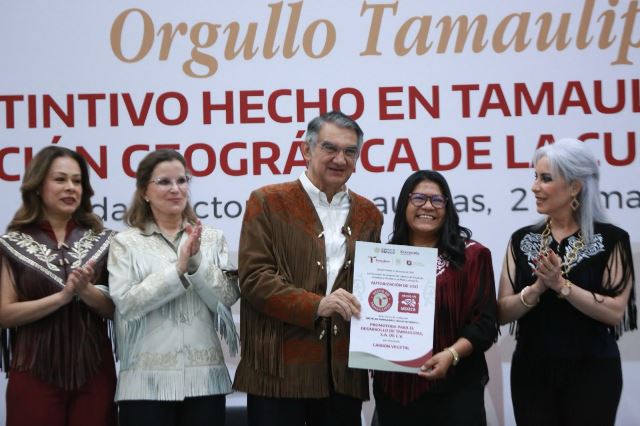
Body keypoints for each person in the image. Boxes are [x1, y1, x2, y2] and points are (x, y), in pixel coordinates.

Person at [233, 111, 383, 426]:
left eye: (350, 151)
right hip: (278, 371)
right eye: (330, 148)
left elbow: (373, 285)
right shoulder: (267, 202)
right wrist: (318, 305)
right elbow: (254, 279)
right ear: (306, 149)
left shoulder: (369, 214)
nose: (340, 159)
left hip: (342, 375)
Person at [497, 138, 637, 426]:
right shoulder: (521, 240)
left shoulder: (612, 239)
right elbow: (501, 312)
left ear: (575, 187)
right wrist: (537, 288)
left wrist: (562, 285)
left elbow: (614, 312)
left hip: (593, 372)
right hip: (531, 373)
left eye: (545, 178)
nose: (534, 187)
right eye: (535, 176)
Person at [108, 149, 240, 426]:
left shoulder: (212, 238)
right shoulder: (125, 243)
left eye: (182, 180)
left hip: (205, 381)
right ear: (144, 191)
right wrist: (177, 270)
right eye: (164, 182)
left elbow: (226, 298)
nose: (176, 189)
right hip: (145, 384)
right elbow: (127, 304)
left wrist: (196, 262)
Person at [0, 146, 116, 426]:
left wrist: (86, 292)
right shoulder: (11, 244)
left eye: (77, 181)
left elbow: (116, 310)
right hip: (34, 373)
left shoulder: (106, 241)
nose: (70, 188)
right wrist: (62, 297)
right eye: (60, 179)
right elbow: (4, 314)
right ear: (38, 186)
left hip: (95, 373)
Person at [373, 170, 498, 426]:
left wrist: (451, 354)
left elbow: (485, 324)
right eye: (418, 198)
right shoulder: (382, 259)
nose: (428, 206)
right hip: (395, 391)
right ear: (404, 205)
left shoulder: (472, 256)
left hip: (456, 388)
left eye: (437, 200)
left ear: (447, 207)